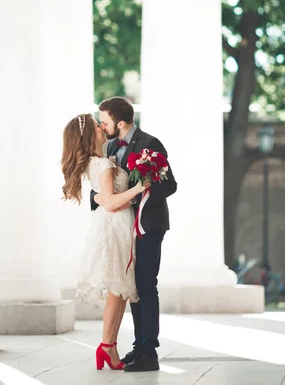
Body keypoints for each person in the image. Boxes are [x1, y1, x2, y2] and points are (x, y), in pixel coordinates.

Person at [91, 97, 177, 372]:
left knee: (145, 286)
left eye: (104, 121)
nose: (102, 127)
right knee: (132, 286)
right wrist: (99, 197)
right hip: (123, 227)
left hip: (148, 225)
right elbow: (107, 189)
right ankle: (139, 346)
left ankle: (149, 353)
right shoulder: (112, 146)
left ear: (121, 122)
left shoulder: (150, 144)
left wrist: (141, 194)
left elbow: (170, 185)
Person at [61, 113, 150, 370]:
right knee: (117, 288)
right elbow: (111, 202)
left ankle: (109, 346)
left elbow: (103, 196)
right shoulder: (103, 164)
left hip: (113, 224)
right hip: (115, 225)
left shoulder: (101, 160)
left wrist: (101, 197)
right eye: (97, 125)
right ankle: (107, 345)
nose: (102, 127)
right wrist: (138, 188)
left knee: (120, 288)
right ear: (90, 135)